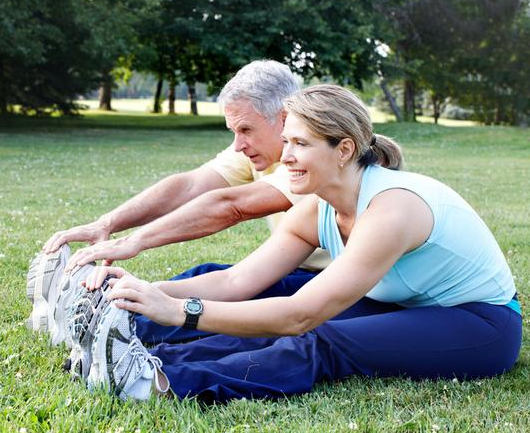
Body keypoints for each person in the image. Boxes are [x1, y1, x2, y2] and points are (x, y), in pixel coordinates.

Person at [87, 84, 522, 403]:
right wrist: (141, 293)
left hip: (480, 324)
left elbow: (299, 316)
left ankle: (159, 383)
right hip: (410, 305)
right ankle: (144, 357)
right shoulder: (319, 209)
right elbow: (239, 282)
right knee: (263, 310)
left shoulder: (393, 208)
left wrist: (182, 311)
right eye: (287, 141)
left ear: (344, 149)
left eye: (301, 144)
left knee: (323, 339)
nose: (287, 155)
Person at [41, 60, 330, 344]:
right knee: (204, 276)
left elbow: (232, 207)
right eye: (234, 132)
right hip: (289, 266)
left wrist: (134, 241)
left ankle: (107, 328)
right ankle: (96, 315)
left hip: (328, 280)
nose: (239, 144)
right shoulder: (257, 148)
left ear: (284, 117)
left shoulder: (314, 155)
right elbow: (190, 185)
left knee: (236, 309)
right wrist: (107, 224)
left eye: (245, 130)